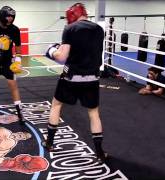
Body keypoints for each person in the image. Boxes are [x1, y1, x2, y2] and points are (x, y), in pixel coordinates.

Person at [42, 3, 107, 162]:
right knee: (94, 114)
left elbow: (62, 57)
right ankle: (99, 153)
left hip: (71, 77)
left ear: (72, 15)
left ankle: (49, 143)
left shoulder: (70, 29)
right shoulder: (99, 29)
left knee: (56, 105)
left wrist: (52, 50)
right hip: (92, 78)